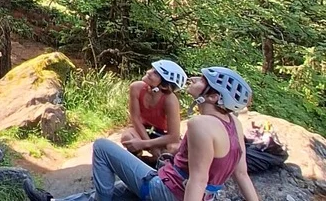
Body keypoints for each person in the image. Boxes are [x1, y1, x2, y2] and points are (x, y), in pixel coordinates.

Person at [91, 66, 261, 201]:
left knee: (101, 146)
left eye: (202, 80)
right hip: (190, 190)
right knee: (103, 194)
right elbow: (241, 174)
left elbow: (198, 180)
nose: (193, 79)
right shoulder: (234, 123)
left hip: (166, 190)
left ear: (213, 97)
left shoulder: (199, 124)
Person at [120, 60, 187, 158]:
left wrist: (146, 144)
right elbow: (136, 118)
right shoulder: (136, 87)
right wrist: (149, 145)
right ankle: (137, 159)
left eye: (155, 73)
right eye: (152, 69)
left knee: (173, 148)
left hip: (163, 136)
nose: (148, 72)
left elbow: (173, 136)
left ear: (164, 85)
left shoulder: (170, 100)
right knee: (127, 137)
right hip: (143, 130)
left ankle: (160, 163)